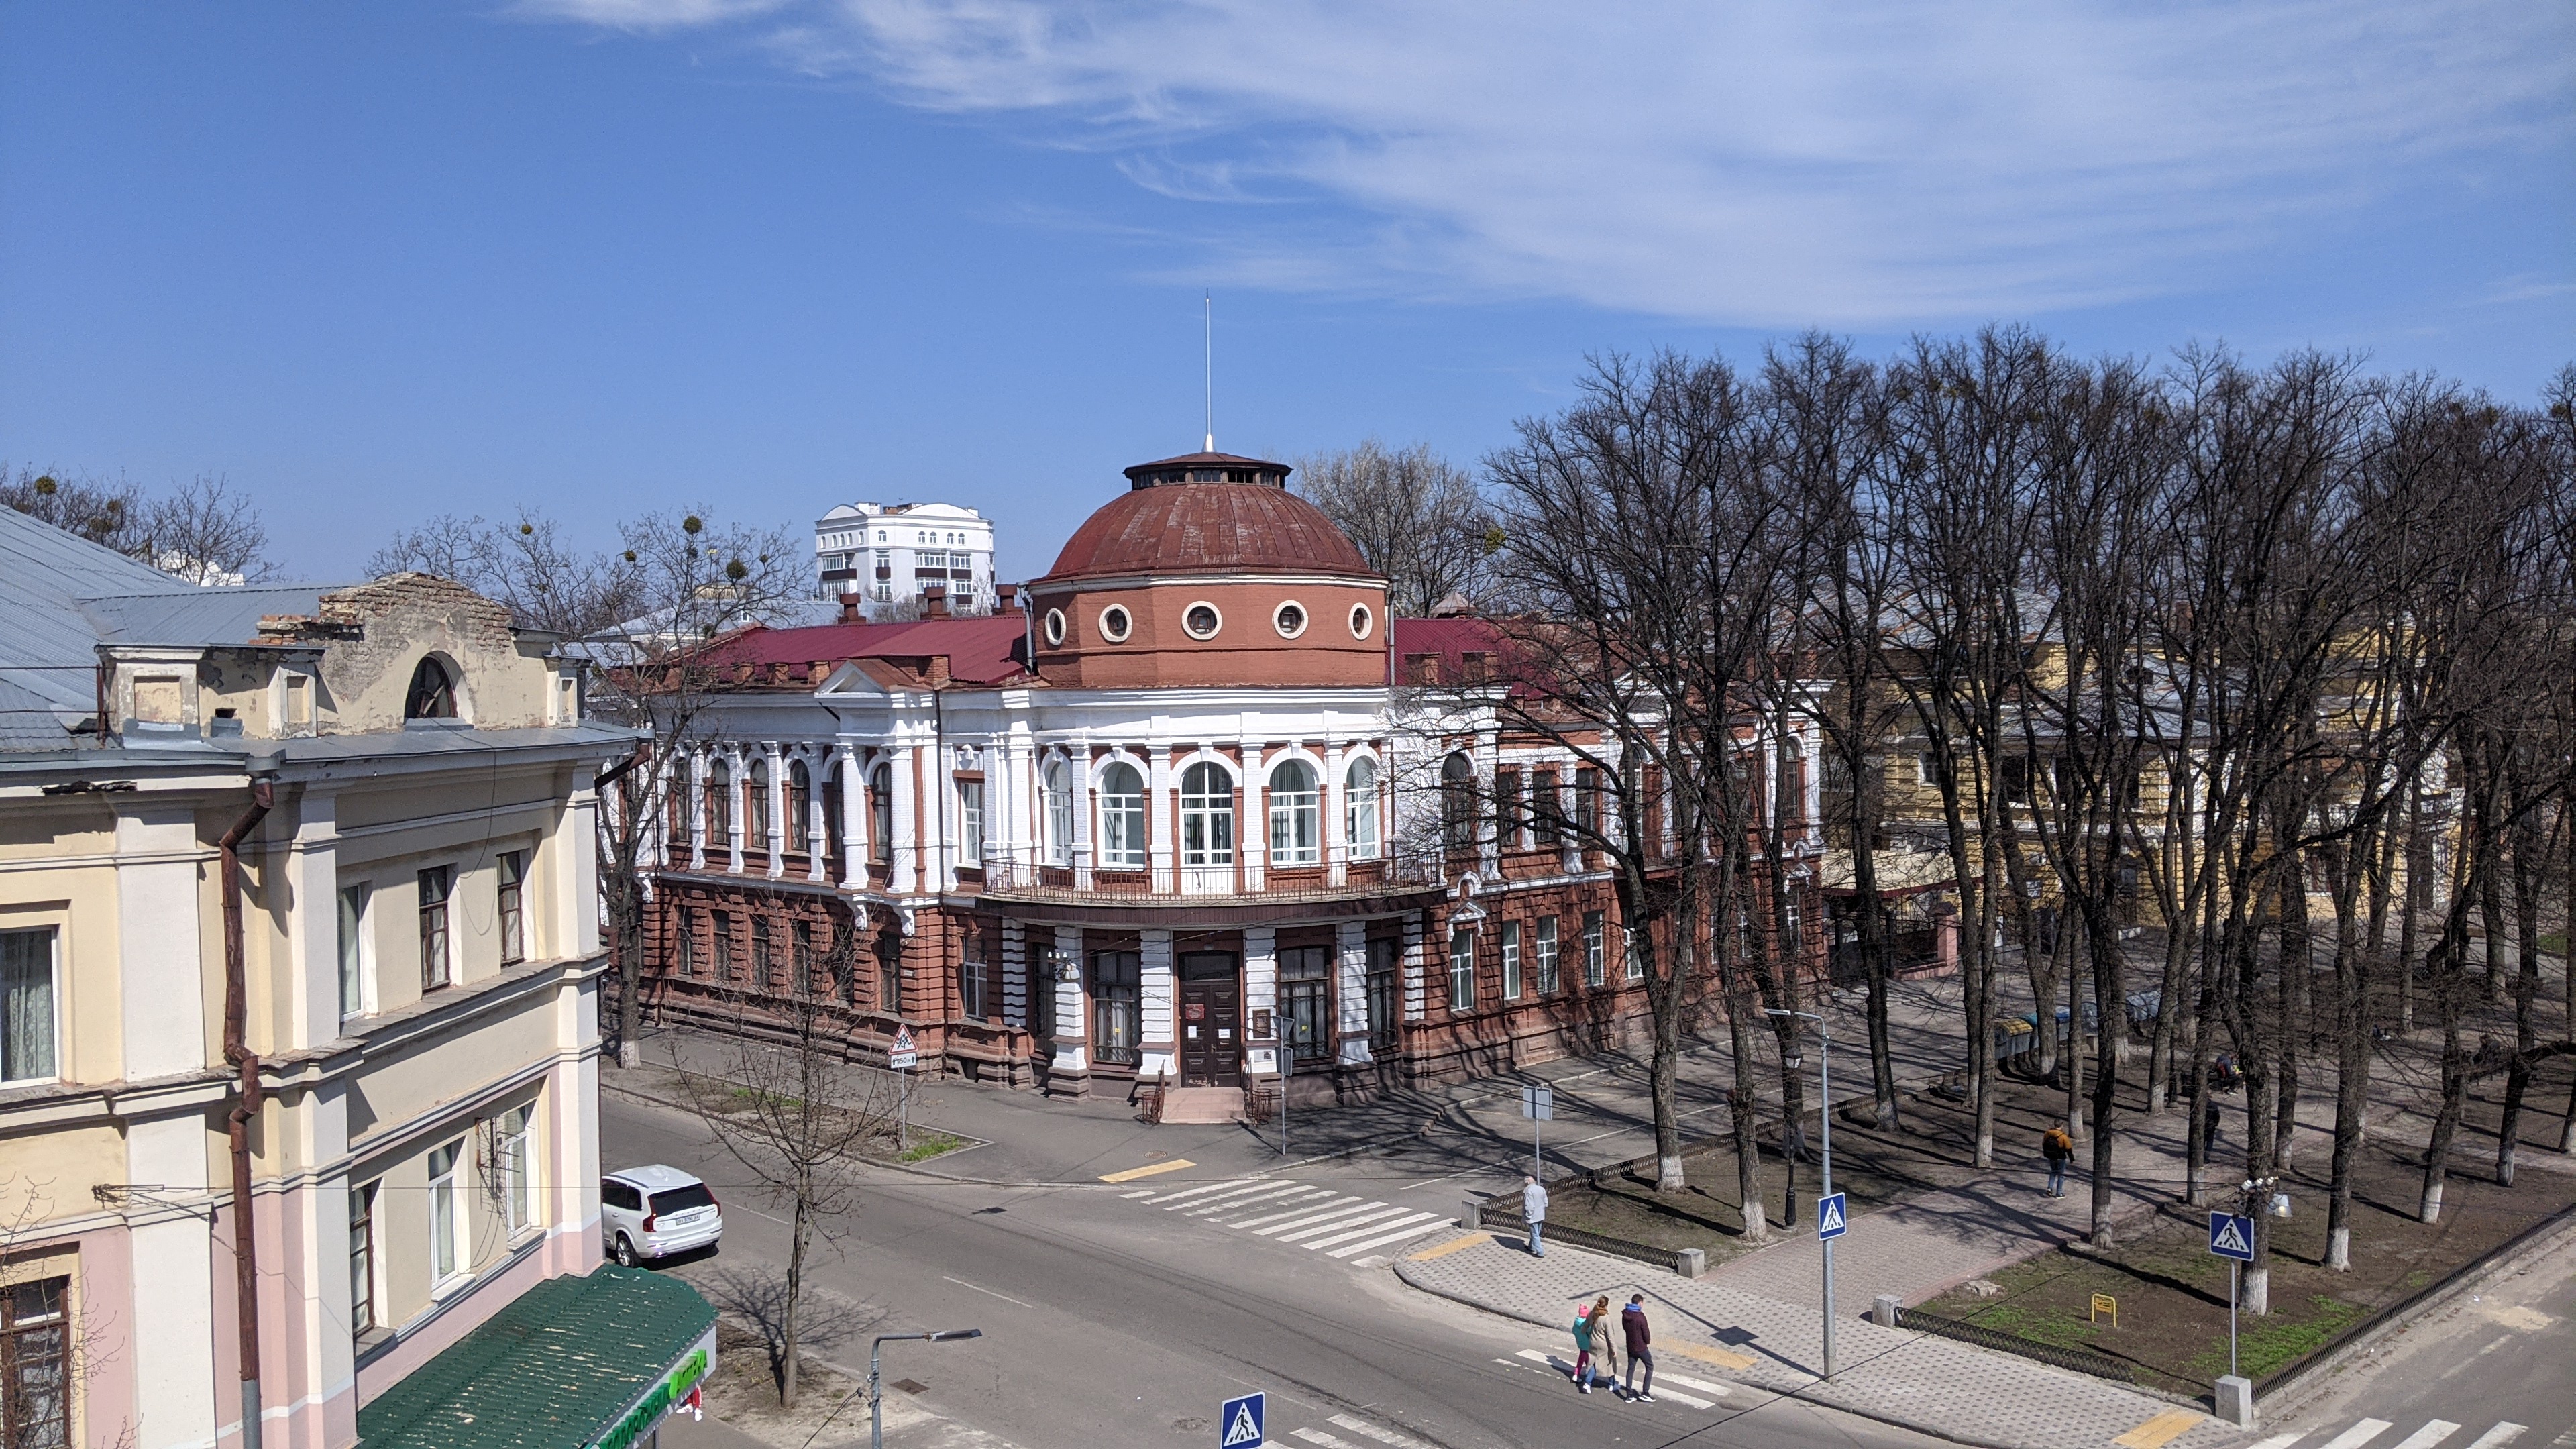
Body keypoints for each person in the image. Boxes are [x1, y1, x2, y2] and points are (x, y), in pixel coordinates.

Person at [1621, 1293, 1656, 1404]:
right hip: (1641, 1347)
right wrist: (1647, 1342)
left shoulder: (1625, 1314)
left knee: (1631, 1369)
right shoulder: (1640, 1317)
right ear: (1640, 1303)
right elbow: (1646, 1333)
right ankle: (1645, 1393)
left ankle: (1629, 1394)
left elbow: (1625, 1329)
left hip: (1630, 1347)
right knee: (1649, 1366)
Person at [1570, 1300, 1599, 1393]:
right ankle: (1582, 1375)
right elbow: (1590, 1332)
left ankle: (1581, 1373)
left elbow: (1574, 1331)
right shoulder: (1585, 1324)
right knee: (1587, 1360)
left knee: (1583, 1358)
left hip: (1580, 1343)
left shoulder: (1576, 1322)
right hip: (1587, 1345)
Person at [2041, 1124, 2074, 1199]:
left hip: (2051, 1157)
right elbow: (2068, 1148)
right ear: (2062, 1126)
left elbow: (2044, 1144)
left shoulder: (2048, 1133)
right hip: (2060, 1158)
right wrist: (2071, 1158)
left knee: (2053, 1172)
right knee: (2061, 1175)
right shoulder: (2063, 1136)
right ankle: (2059, 1193)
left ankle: (2050, 1188)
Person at [1523, 1174, 1548, 1258]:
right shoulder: (1541, 1189)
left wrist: (1528, 1215)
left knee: (1535, 1234)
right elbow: (1546, 1201)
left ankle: (1540, 1252)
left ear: (1527, 1183)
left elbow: (1529, 1205)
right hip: (1541, 1214)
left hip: (1533, 1216)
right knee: (1537, 1232)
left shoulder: (1529, 1191)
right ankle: (1531, 1247)